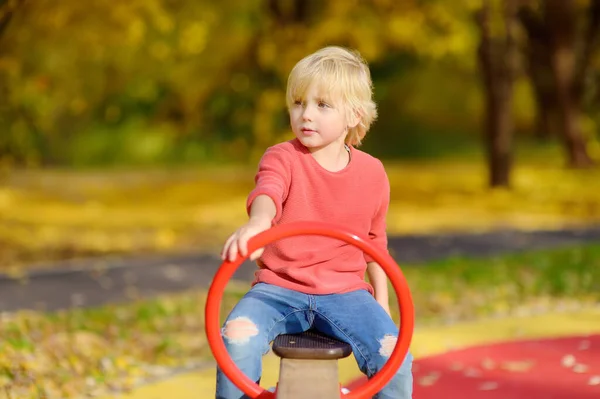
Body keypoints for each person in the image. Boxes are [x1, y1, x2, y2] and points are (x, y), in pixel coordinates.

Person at [217, 45, 413, 399]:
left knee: (394, 354)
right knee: (236, 338)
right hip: (278, 288)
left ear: (354, 115)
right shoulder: (283, 157)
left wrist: (381, 302)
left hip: (345, 293)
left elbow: (374, 243)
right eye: (298, 103)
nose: (306, 114)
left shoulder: (372, 173)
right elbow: (268, 192)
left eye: (322, 105)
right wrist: (260, 222)